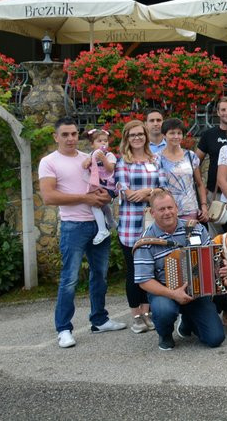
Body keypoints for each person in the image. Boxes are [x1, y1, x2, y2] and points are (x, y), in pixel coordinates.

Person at [39, 117, 126, 348]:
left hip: (100, 226)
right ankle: (64, 329)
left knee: (100, 276)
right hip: (73, 226)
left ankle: (99, 320)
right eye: (65, 135)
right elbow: (49, 196)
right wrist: (84, 198)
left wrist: (108, 196)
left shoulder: (89, 157)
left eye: (74, 134)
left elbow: (108, 182)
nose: (70, 138)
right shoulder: (49, 162)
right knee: (69, 279)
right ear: (55, 137)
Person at [133, 191, 224, 350]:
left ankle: (187, 322)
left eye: (170, 207)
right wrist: (174, 294)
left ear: (176, 208)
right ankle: (165, 334)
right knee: (163, 309)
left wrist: (222, 264)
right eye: (161, 209)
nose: (167, 212)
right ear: (152, 213)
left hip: (196, 290)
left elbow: (213, 255)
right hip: (164, 291)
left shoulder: (196, 228)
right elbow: (144, 281)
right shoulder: (145, 241)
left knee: (215, 339)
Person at [115, 119, 166, 335]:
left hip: (152, 223)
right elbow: (126, 193)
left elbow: (163, 189)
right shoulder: (122, 163)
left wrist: (145, 193)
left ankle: (147, 312)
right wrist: (151, 191)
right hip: (130, 225)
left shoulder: (155, 160)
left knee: (152, 269)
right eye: (133, 135)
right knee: (134, 272)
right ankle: (136, 315)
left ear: (146, 136)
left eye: (140, 134)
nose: (137, 138)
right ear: (127, 138)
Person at [157, 118, 208, 222]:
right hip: (166, 211)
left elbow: (199, 183)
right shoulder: (156, 158)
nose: (176, 136)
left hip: (190, 210)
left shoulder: (191, 156)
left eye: (179, 133)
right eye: (172, 133)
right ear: (164, 135)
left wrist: (204, 206)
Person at [81, 128, 117, 245]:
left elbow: (110, 169)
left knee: (95, 205)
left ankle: (102, 230)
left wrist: (103, 159)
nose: (103, 143)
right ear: (92, 144)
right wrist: (88, 162)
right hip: (98, 185)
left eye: (105, 141)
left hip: (109, 186)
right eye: (99, 141)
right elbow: (84, 165)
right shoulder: (91, 155)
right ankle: (111, 221)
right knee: (103, 205)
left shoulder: (109, 155)